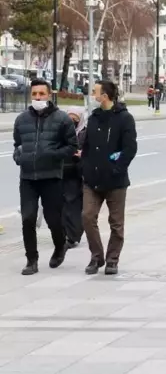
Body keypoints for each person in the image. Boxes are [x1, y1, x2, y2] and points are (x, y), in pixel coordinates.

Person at [12, 79, 78, 275]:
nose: (38, 98)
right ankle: (31, 260)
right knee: (28, 218)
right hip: (28, 178)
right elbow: (17, 144)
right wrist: (19, 156)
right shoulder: (22, 119)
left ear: (49, 95)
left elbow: (72, 147)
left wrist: (53, 155)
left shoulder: (62, 119)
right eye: (34, 94)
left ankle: (60, 246)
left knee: (53, 219)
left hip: (51, 177)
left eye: (41, 94)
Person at [82, 80, 138, 275]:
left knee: (116, 223)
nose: (92, 94)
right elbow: (87, 145)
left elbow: (130, 148)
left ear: (104, 96)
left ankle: (112, 259)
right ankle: (97, 257)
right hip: (92, 179)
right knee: (87, 217)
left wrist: (117, 168)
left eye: (95, 91)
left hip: (115, 181)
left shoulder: (124, 118)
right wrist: (85, 168)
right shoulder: (94, 117)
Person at [63, 106, 87, 249]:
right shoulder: (62, 132)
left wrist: (82, 154)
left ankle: (73, 236)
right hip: (63, 171)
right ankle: (66, 234)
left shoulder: (86, 133)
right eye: (69, 119)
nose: (72, 122)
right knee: (63, 205)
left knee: (74, 206)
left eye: (75, 119)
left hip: (79, 173)